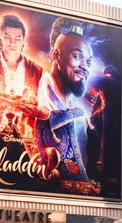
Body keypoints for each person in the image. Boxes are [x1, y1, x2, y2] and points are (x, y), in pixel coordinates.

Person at [34, 18, 104, 182]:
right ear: (55, 54)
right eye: (77, 56)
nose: (85, 67)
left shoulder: (74, 104)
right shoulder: (42, 90)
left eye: (88, 61)